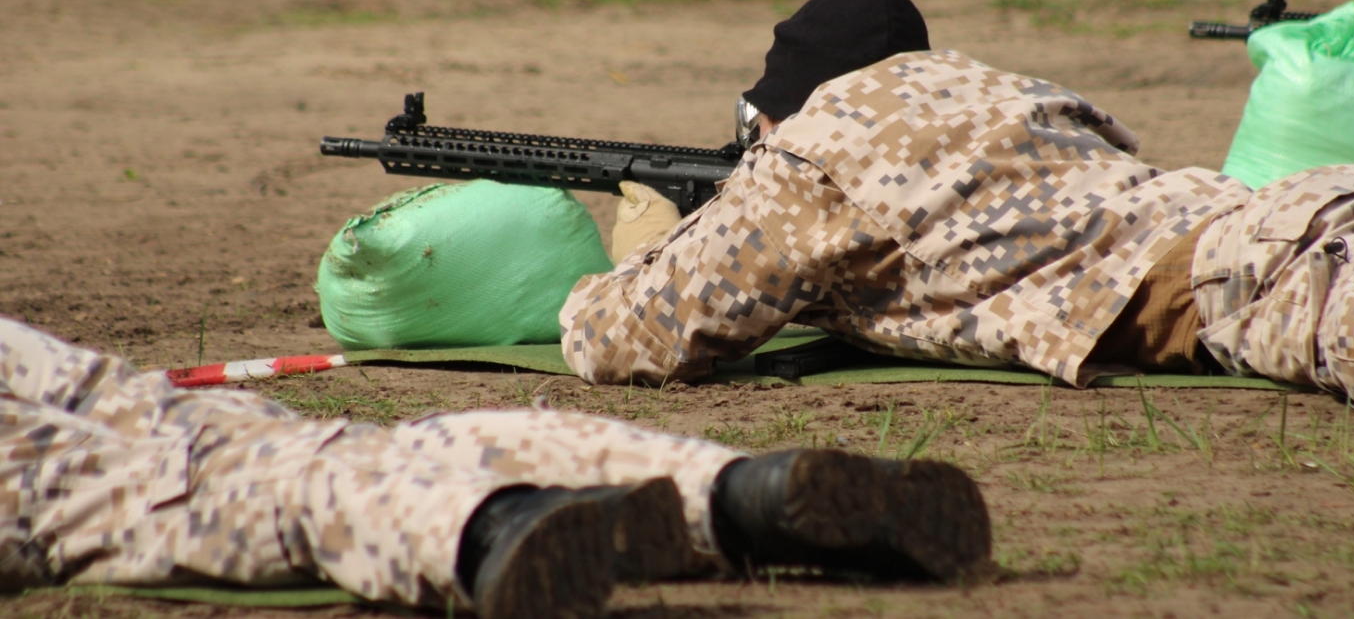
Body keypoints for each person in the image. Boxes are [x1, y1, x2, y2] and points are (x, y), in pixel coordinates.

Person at [561, 0, 1354, 420]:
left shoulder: (817, 148)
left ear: (785, 106)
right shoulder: (1005, 93)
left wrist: (641, 238)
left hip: (1290, 278)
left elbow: (631, 340)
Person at [0, 316, 990, 617]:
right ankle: (738, 496)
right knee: (381, 461)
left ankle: (506, 527)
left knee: (380, 465)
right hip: (125, 432)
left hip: (131, 432)